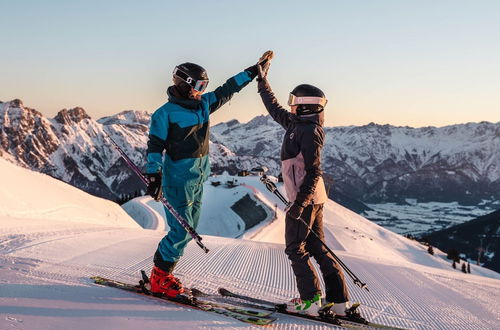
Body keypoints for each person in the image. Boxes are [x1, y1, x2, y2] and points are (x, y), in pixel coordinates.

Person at [145, 53, 271, 297]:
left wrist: (253, 71)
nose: (203, 91)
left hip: (198, 178)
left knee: (190, 227)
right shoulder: (165, 114)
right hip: (178, 179)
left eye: (205, 86)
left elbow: (228, 89)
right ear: (185, 84)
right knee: (181, 230)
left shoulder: (203, 104)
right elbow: (154, 147)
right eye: (200, 86)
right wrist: (153, 175)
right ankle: (160, 276)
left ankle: (164, 273)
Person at [256, 58, 350, 317]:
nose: (290, 104)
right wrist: (262, 81)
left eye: (293, 100)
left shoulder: (308, 132)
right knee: (317, 247)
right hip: (313, 198)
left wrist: (299, 204)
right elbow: (274, 109)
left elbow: (313, 171)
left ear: (304, 105)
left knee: (294, 247)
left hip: (305, 199)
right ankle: (338, 302)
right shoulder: (298, 125)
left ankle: (310, 301)